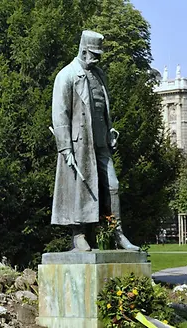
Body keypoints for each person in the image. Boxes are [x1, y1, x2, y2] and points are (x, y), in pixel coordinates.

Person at [50, 30, 139, 251]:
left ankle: (117, 234)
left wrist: (110, 131)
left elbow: (102, 108)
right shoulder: (67, 75)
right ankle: (78, 234)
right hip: (79, 144)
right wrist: (65, 147)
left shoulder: (99, 75)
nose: (97, 58)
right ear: (83, 50)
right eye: (94, 54)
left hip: (101, 142)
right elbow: (60, 114)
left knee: (113, 186)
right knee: (79, 188)